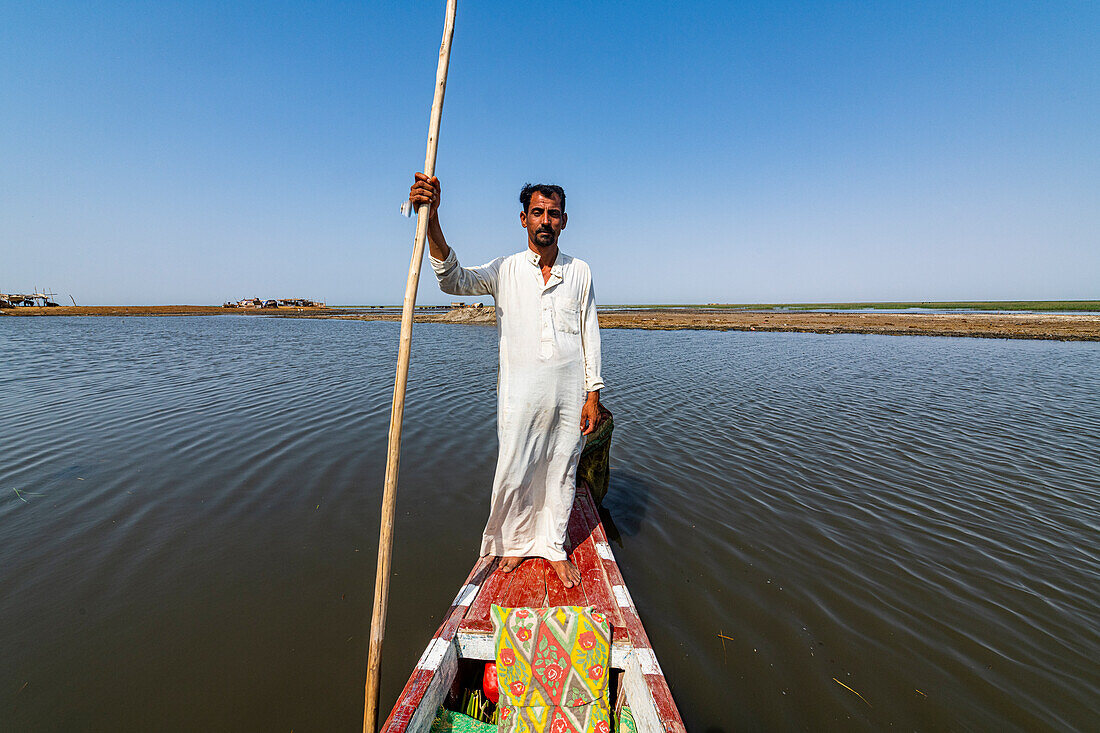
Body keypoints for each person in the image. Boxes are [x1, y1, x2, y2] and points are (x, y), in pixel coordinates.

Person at [408, 173, 603, 588]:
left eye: (553, 214)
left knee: (561, 468)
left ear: (564, 221)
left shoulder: (580, 271)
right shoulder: (505, 270)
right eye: (537, 213)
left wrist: (593, 395)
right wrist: (433, 218)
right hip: (520, 395)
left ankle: (552, 545)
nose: (545, 221)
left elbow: (590, 333)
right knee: (515, 468)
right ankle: (513, 542)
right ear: (523, 219)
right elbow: (453, 279)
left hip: (569, 395)